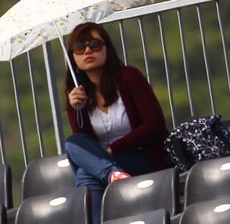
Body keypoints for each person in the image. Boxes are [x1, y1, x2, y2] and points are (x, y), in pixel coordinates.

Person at [62, 22, 169, 224]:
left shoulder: (129, 77)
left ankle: (110, 173)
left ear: (107, 49)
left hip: (143, 156)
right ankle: (112, 173)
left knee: (87, 174)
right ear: (73, 56)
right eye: (79, 47)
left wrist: (113, 149)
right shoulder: (77, 94)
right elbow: (84, 140)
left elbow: (154, 124)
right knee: (72, 143)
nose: (87, 51)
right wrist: (78, 110)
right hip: (108, 165)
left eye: (94, 44)